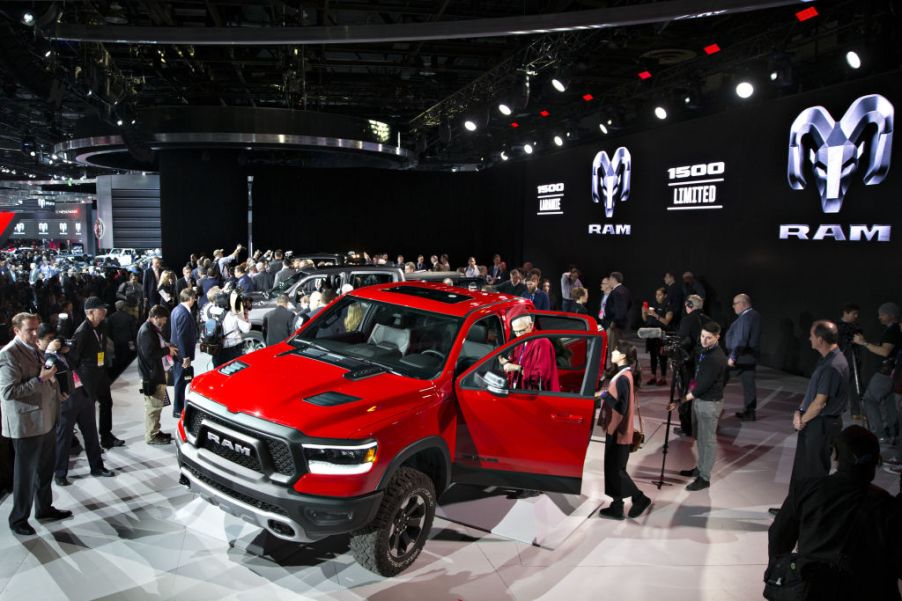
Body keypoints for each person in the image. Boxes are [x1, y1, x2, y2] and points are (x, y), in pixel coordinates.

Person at [767, 426, 902, 601]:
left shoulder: (807, 490)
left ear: (836, 455)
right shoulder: (887, 506)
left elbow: (778, 536)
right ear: (876, 461)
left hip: (811, 590)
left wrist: (782, 574)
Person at [0, 313, 72, 536]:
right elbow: (8, 391)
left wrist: (56, 392)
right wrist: (40, 379)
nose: (34, 334)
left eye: (35, 329)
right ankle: (18, 519)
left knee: (44, 469)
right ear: (16, 330)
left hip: (46, 418)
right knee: (25, 475)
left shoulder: (35, 349)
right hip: (26, 424)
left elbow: (46, 376)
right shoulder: (8, 354)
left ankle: (44, 509)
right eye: (29, 330)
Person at [45, 323, 114, 486]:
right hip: (65, 400)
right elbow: (48, 369)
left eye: (55, 339)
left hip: (83, 394)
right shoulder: (45, 356)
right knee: (64, 438)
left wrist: (67, 350)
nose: (56, 342)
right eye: (50, 339)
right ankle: (60, 473)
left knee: (91, 434)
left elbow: (78, 360)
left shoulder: (65, 353)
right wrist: (49, 351)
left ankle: (97, 467)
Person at [596, 341, 652, 520]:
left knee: (617, 470)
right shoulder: (624, 374)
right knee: (614, 469)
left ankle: (639, 498)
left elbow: (620, 406)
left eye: (615, 350)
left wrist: (605, 395)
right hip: (618, 429)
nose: (612, 352)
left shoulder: (623, 377)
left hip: (618, 431)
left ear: (622, 356)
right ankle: (617, 506)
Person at [670, 321, 727, 491]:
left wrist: (681, 401)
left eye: (709, 338)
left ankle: (704, 477)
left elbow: (701, 386)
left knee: (708, 441)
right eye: (702, 336)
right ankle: (700, 468)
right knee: (701, 438)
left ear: (717, 337)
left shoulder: (715, 358)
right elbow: (698, 377)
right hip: (701, 401)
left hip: (709, 403)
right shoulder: (705, 351)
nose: (704, 340)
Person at [69, 296, 125, 449]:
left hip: (101, 372)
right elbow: (74, 356)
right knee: (88, 409)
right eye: (101, 309)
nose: (104, 311)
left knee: (107, 403)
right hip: (87, 376)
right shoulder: (82, 331)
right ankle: (92, 443)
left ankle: (106, 436)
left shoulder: (102, 325)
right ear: (91, 312)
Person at [854, 302, 901, 443]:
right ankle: (892, 435)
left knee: (869, 399)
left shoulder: (893, 330)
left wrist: (864, 343)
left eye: (882, 314)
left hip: (888, 372)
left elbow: (885, 351)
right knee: (888, 404)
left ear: (890, 315)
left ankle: (877, 434)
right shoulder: (897, 329)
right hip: (896, 373)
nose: (879, 317)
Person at [137, 305, 177, 445]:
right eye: (163, 319)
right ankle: (151, 436)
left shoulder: (151, 329)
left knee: (157, 406)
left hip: (155, 373)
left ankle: (155, 431)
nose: (164, 322)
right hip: (151, 376)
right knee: (153, 408)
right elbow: (150, 354)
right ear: (155, 317)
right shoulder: (147, 331)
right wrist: (167, 350)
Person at [499, 315, 559, 392]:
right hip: (520, 391)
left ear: (531, 325)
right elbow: (520, 363)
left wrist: (517, 368)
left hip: (536, 396)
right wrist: (507, 363)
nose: (519, 335)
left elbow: (541, 378)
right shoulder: (521, 341)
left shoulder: (542, 343)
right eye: (516, 332)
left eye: (521, 331)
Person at [726, 293, 762, 421]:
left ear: (743, 303)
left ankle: (711, 406)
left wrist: (733, 357)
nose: (733, 307)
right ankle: (749, 412)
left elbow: (742, 339)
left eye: (735, 304)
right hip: (749, 357)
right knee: (748, 385)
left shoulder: (746, 317)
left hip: (741, 357)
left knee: (719, 378)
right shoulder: (755, 315)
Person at [169, 289, 197, 419]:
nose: (195, 300)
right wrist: (185, 356)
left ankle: (180, 407)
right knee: (181, 381)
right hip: (181, 354)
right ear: (190, 298)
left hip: (178, 351)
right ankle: (178, 408)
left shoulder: (176, 309)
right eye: (194, 298)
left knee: (181, 379)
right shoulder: (184, 313)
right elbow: (181, 337)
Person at [642, 287, 674, 386]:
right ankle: (653, 377)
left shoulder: (668, 307)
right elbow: (645, 320)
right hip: (651, 334)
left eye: (660, 295)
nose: (657, 297)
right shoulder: (653, 305)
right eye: (656, 294)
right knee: (652, 356)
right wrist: (643, 312)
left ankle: (663, 378)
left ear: (665, 295)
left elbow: (667, 322)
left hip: (662, 335)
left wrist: (655, 315)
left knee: (662, 357)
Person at [837, 303, 864, 419]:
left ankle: (856, 412)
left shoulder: (855, 327)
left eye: (857, 314)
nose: (856, 316)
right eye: (854, 314)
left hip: (853, 359)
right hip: (841, 359)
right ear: (846, 313)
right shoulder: (837, 327)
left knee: (854, 385)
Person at [217, 292, 251, 367]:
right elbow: (246, 329)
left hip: (218, 349)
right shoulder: (235, 314)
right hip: (233, 348)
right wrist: (246, 317)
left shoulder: (211, 311)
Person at [106, 300, 137, 374]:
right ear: (124, 307)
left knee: (118, 359)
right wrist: (133, 341)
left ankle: (118, 373)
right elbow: (133, 331)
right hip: (127, 342)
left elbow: (108, 331)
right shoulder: (129, 317)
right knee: (127, 359)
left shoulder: (111, 317)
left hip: (117, 342)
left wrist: (113, 338)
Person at [602, 271, 631, 350]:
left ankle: (613, 363)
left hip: (615, 326)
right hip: (622, 324)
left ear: (614, 279)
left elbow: (619, 309)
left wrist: (614, 322)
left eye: (610, 279)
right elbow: (628, 305)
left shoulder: (616, 292)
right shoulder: (625, 290)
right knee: (619, 348)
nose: (609, 282)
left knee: (613, 348)